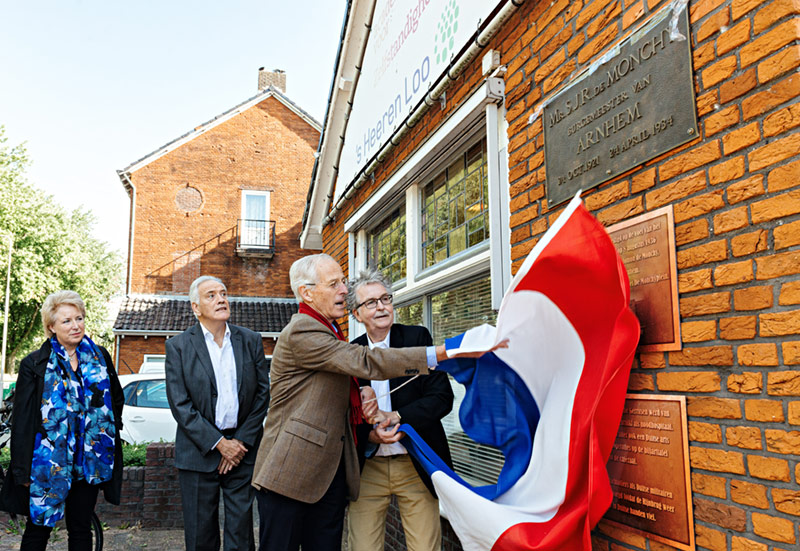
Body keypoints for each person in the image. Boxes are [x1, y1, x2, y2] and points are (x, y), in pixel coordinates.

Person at [252, 253, 495, 551]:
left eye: (343, 281)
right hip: (295, 472)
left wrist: (361, 392)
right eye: (335, 284)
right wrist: (443, 353)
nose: (343, 288)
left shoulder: (333, 332)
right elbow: (363, 360)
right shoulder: (305, 330)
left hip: (355, 472)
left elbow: (436, 396)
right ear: (307, 292)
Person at [1, 290, 124, 551]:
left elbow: (116, 400)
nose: (75, 325)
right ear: (51, 326)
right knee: (39, 529)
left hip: (89, 462)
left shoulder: (100, 357)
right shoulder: (34, 364)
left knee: (80, 528)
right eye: (66, 321)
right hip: (48, 464)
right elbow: (22, 421)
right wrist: (22, 471)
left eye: (79, 318)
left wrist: (106, 434)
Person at [346, 268, 454, 551]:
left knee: (425, 547)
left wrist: (398, 417)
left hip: (414, 462)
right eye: (371, 302)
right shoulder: (348, 353)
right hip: (368, 468)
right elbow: (342, 415)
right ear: (356, 314)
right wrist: (370, 435)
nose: (381, 306)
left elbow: (442, 397)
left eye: (385, 299)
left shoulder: (417, 338)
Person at [165, 276, 270, 551]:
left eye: (223, 293)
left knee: (241, 534)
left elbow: (262, 395)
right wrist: (220, 444)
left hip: (242, 452)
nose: (221, 299)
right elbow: (180, 404)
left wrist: (240, 443)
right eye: (211, 295)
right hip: (198, 454)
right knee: (201, 537)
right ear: (196, 307)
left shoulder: (250, 340)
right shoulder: (178, 346)